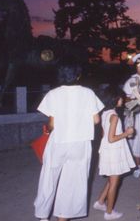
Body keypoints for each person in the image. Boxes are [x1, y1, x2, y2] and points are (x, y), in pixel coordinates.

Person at [34, 61, 104, 221]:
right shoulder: (88, 93)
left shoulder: (53, 94)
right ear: (78, 75)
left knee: (48, 179)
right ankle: (63, 218)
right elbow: (96, 120)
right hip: (80, 143)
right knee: (73, 182)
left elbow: (51, 124)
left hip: (58, 141)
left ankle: (43, 216)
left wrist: (50, 127)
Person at [93, 86, 135, 220]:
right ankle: (109, 212)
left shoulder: (106, 113)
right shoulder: (114, 116)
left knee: (113, 178)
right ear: (116, 99)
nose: (122, 99)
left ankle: (100, 202)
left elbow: (105, 135)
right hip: (113, 150)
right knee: (114, 182)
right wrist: (126, 133)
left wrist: (122, 135)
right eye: (120, 97)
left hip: (108, 150)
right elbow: (111, 139)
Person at [123, 53, 140, 178]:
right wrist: (136, 102)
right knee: (137, 141)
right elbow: (126, 100)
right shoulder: (131, 81)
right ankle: (138, 167)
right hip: (136, 115)